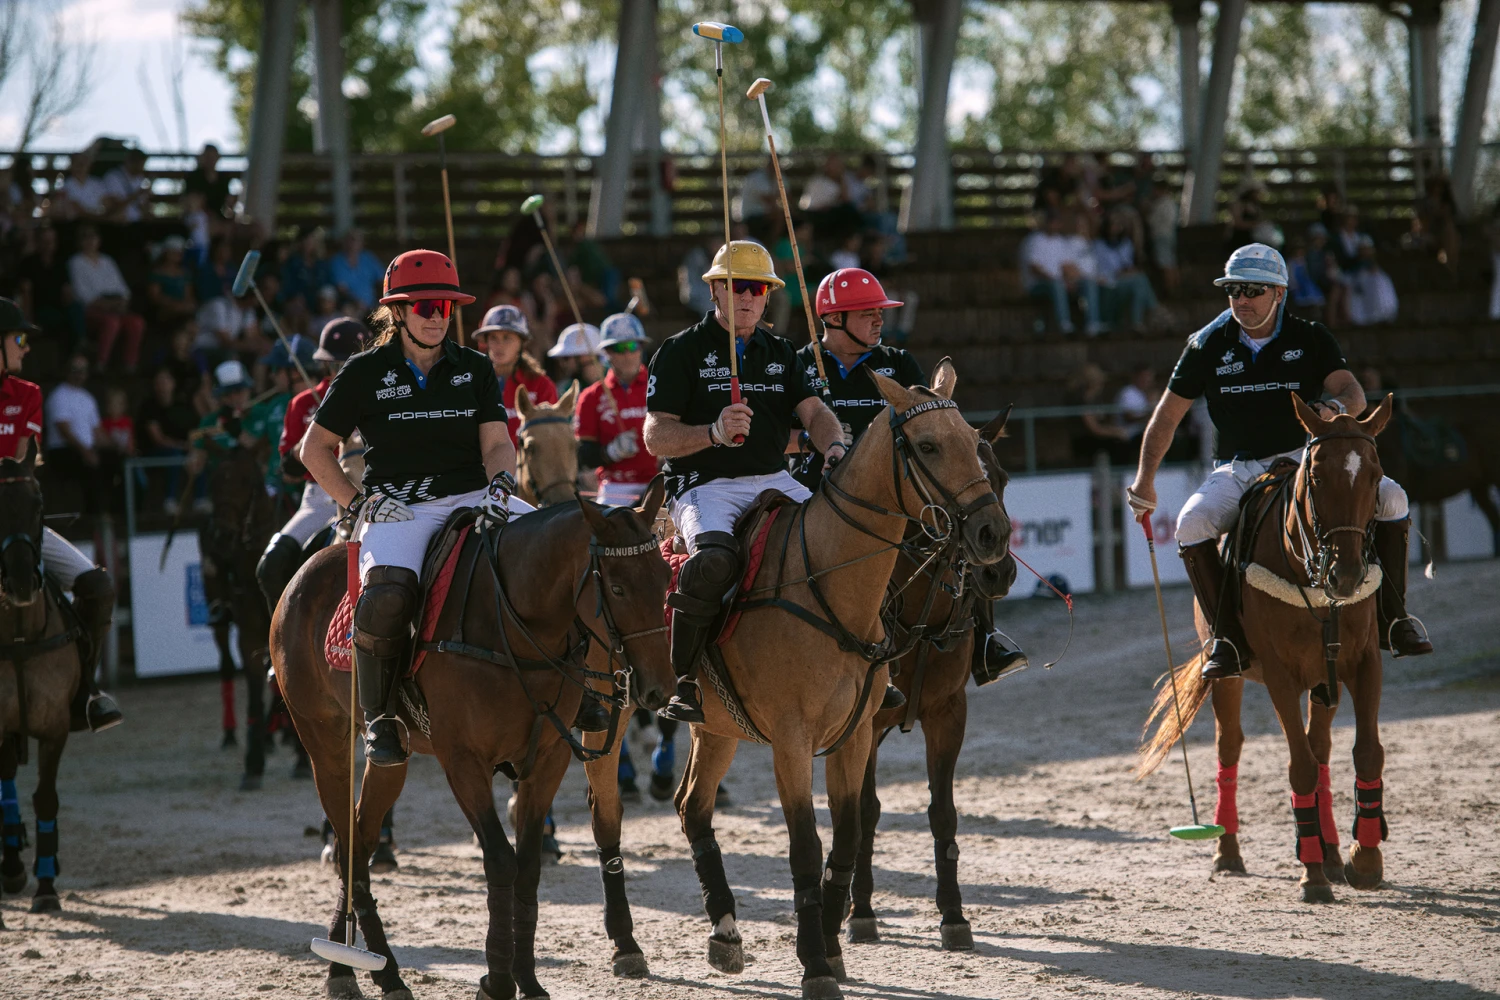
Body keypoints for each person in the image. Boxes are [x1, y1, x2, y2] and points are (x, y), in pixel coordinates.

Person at [1126, 244, 1431, 681]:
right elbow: (1167, 416)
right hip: (1237, 467)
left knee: (1395, 498)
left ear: (1279, 293)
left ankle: (1394, 619)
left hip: (1305, 459)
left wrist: (1332, 406)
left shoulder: (1311, 337)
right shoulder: (1206, 343)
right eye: (1233, 290)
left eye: (1252, 290)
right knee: (1191, 524)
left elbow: (1354, 393)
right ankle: (1226, 638)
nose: (1241, 300)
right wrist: (1145, 479)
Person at [298, 250, 530, 765]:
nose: (436, 315)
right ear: (397, 312)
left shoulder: (475, 367)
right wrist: (357, 503)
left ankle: (579, 690)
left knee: (560, 550)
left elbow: (496, 443)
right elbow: (312, 449)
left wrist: (499, 486)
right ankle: (380, 718)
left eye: (445, 306)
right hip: (399, 507)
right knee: (384, 597)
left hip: (474, 495)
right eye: (423, 305)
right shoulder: (363, 372)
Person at [643, 240, 847, 723]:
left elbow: (816, 413)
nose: (747, 297)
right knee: (712, 563)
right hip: (704, 485)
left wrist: (834, 445)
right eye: (736, 287)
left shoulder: (781, 352)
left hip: (774, 478)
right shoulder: (680, 351)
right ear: (715, 290)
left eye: (757, 288)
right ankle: (687, 679)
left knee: (845, 539)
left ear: (768, 296)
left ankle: (872, 660)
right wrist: (712, 432)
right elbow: (655, 435)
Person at [793, 268, 1027, 688]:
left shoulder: (898, 363)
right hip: (816, 493)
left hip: (896, 498)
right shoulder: (799, 365)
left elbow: (930, 426)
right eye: (867, 313)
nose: (879, 320)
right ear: (833, 320)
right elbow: (773, 435)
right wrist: (809, 441)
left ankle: (986, 641)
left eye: (880, 312)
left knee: (960, 535)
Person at [0, 297, 122, 732]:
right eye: (18, 338)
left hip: (20, 522)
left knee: (98, 586)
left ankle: (84, 692)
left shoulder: (28, 394)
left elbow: (23, 460)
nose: (25, 347)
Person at [256, 318, 367, 612]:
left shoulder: (381, 397)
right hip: (319, 498)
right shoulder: (304, 403)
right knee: (272, 563)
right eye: (335, 364)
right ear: (324, 365)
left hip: (369, 493)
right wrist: (312, 441)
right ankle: (283, 648)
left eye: (349, 363)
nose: (340, 371)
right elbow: (288, 469)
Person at [576, 313, 657, 507]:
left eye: (632, 346)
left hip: (659, 481)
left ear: (641, 348)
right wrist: (610, 453)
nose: (628, 354)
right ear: (607, 353)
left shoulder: (661, 386)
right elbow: (584, 455)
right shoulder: (591, 396)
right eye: (620, 348)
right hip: (616, 486)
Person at [471, 304, 558, 445]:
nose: (500, 345)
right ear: (486, 342)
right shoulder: (471, 383)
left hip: (528, 465)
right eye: (494, 338)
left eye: (507, 338)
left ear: (522, 343)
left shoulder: (542, 385)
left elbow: (550, 437)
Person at [68, 225, 144, 372]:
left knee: (137, 323)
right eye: (86, 237)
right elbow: (82, 294)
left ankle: (130, 364)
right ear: (80, 241)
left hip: (115, 305)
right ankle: (101, 364)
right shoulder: (76, 262)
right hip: (93, 309)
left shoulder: (107, 261)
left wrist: (122, 302)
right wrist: (106, 305)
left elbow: (123, 289)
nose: (90, 241)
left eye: (93, 237)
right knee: (112, 322)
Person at [329, 229, 385, 311]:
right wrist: (357, 302)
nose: (353, 243)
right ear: (345, 242)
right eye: (351, 239)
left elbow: (382, 279)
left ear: (362, 243)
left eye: (357, 240)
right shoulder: (337, 261)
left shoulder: (368, 258)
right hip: (349, 303)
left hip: (372, 303)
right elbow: (341, 289)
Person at [548, 322, 604, 397]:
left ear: (585, 357)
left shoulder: (616, 382)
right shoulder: (566, 389)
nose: (562, 364)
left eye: (566, 358)